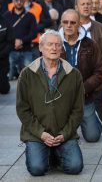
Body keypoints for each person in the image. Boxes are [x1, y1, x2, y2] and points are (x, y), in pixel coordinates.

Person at [16, 30, 84, 176]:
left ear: (61, 48)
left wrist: (65, 134)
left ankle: (55, 155)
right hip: (37, 134)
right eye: (49, 44)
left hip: (64, 133)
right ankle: (45, 152)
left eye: (57, 45)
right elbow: (22, 109)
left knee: (75, 167)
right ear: (40, 47)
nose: (53, 48)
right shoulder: (27, 74)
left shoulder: (73, 74)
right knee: (37, 169)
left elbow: (78, 110)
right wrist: (41, 134)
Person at [59, 9, 102, 142]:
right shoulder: (54, 44)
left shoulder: (90, 44)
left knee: (92, 137)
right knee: (61, 137)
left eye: (72, 22)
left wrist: (83, 88)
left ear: (79, 24)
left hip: (85, 98)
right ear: (61, 23)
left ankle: (93, 118)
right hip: (60, 99)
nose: (68, 25)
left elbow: (99, 71)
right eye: (65, 22)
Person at [75, 0, 102, 121]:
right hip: (74, 76)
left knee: (99, 118)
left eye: (89, 4)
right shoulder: (68, 28)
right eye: (83, 4)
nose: (86, 6)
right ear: (76, 7)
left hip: (95, 78)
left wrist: (101, 67)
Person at [4, 0, 37, 80]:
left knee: (29, 77)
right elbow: (3, 33)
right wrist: (14, 41)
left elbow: (34, 33)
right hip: (11, 51)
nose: (19, 2)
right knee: (9, 78)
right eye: (17, 0)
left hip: (26, 50)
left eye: (21, 0)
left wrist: (22, 40)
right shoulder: (6, 16)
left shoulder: (30, 16)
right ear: (13, 1)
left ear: (24, 1)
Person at [0, 11, 14, 94]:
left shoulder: (5, 21)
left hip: (2, 59)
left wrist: (2, 54)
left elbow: (10, 42)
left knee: (4, 89)